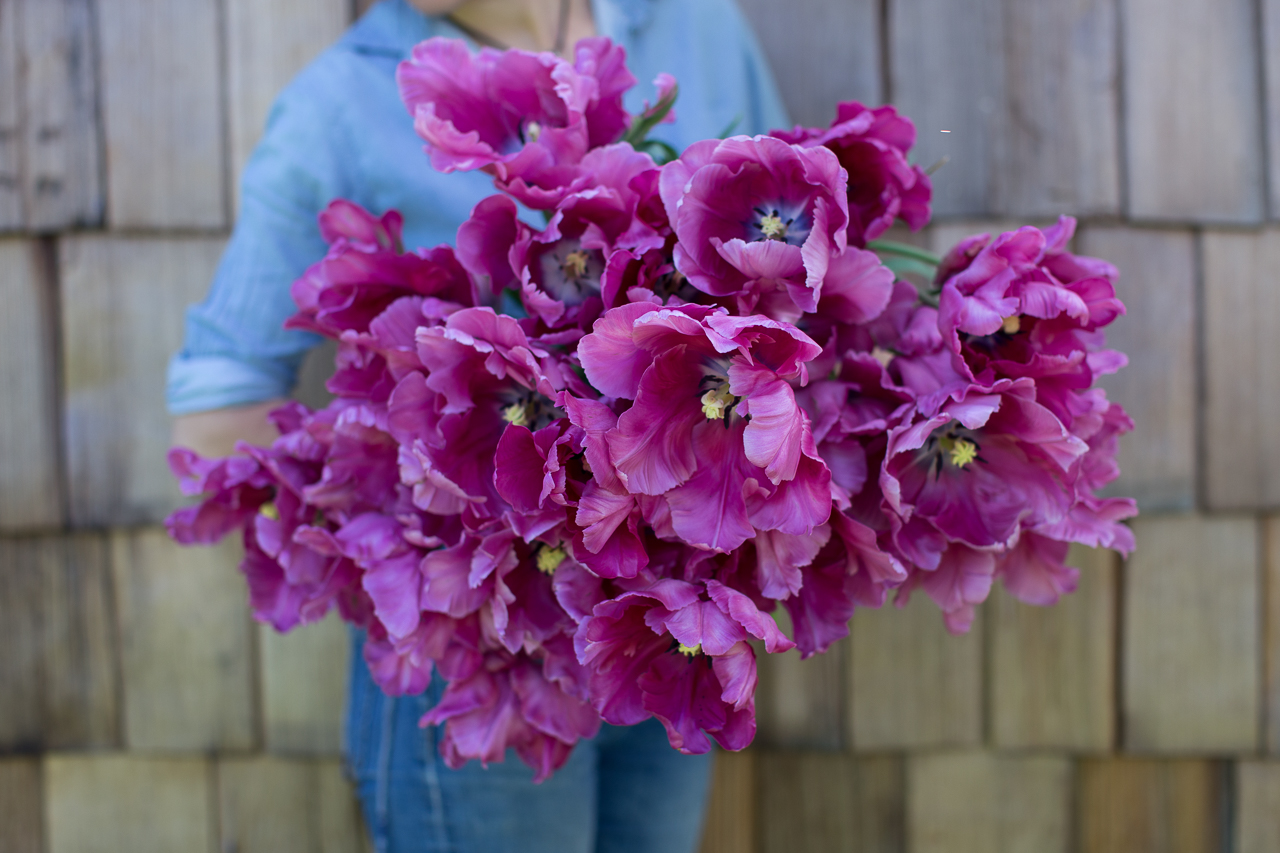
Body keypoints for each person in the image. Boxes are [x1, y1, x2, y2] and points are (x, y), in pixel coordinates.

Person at [167, 1, 788, 850]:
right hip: (482, 644)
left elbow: (802, 282)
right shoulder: (343, 101)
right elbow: (215, 405)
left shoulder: (691, 26)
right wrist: (394, 535)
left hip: (674, 624)